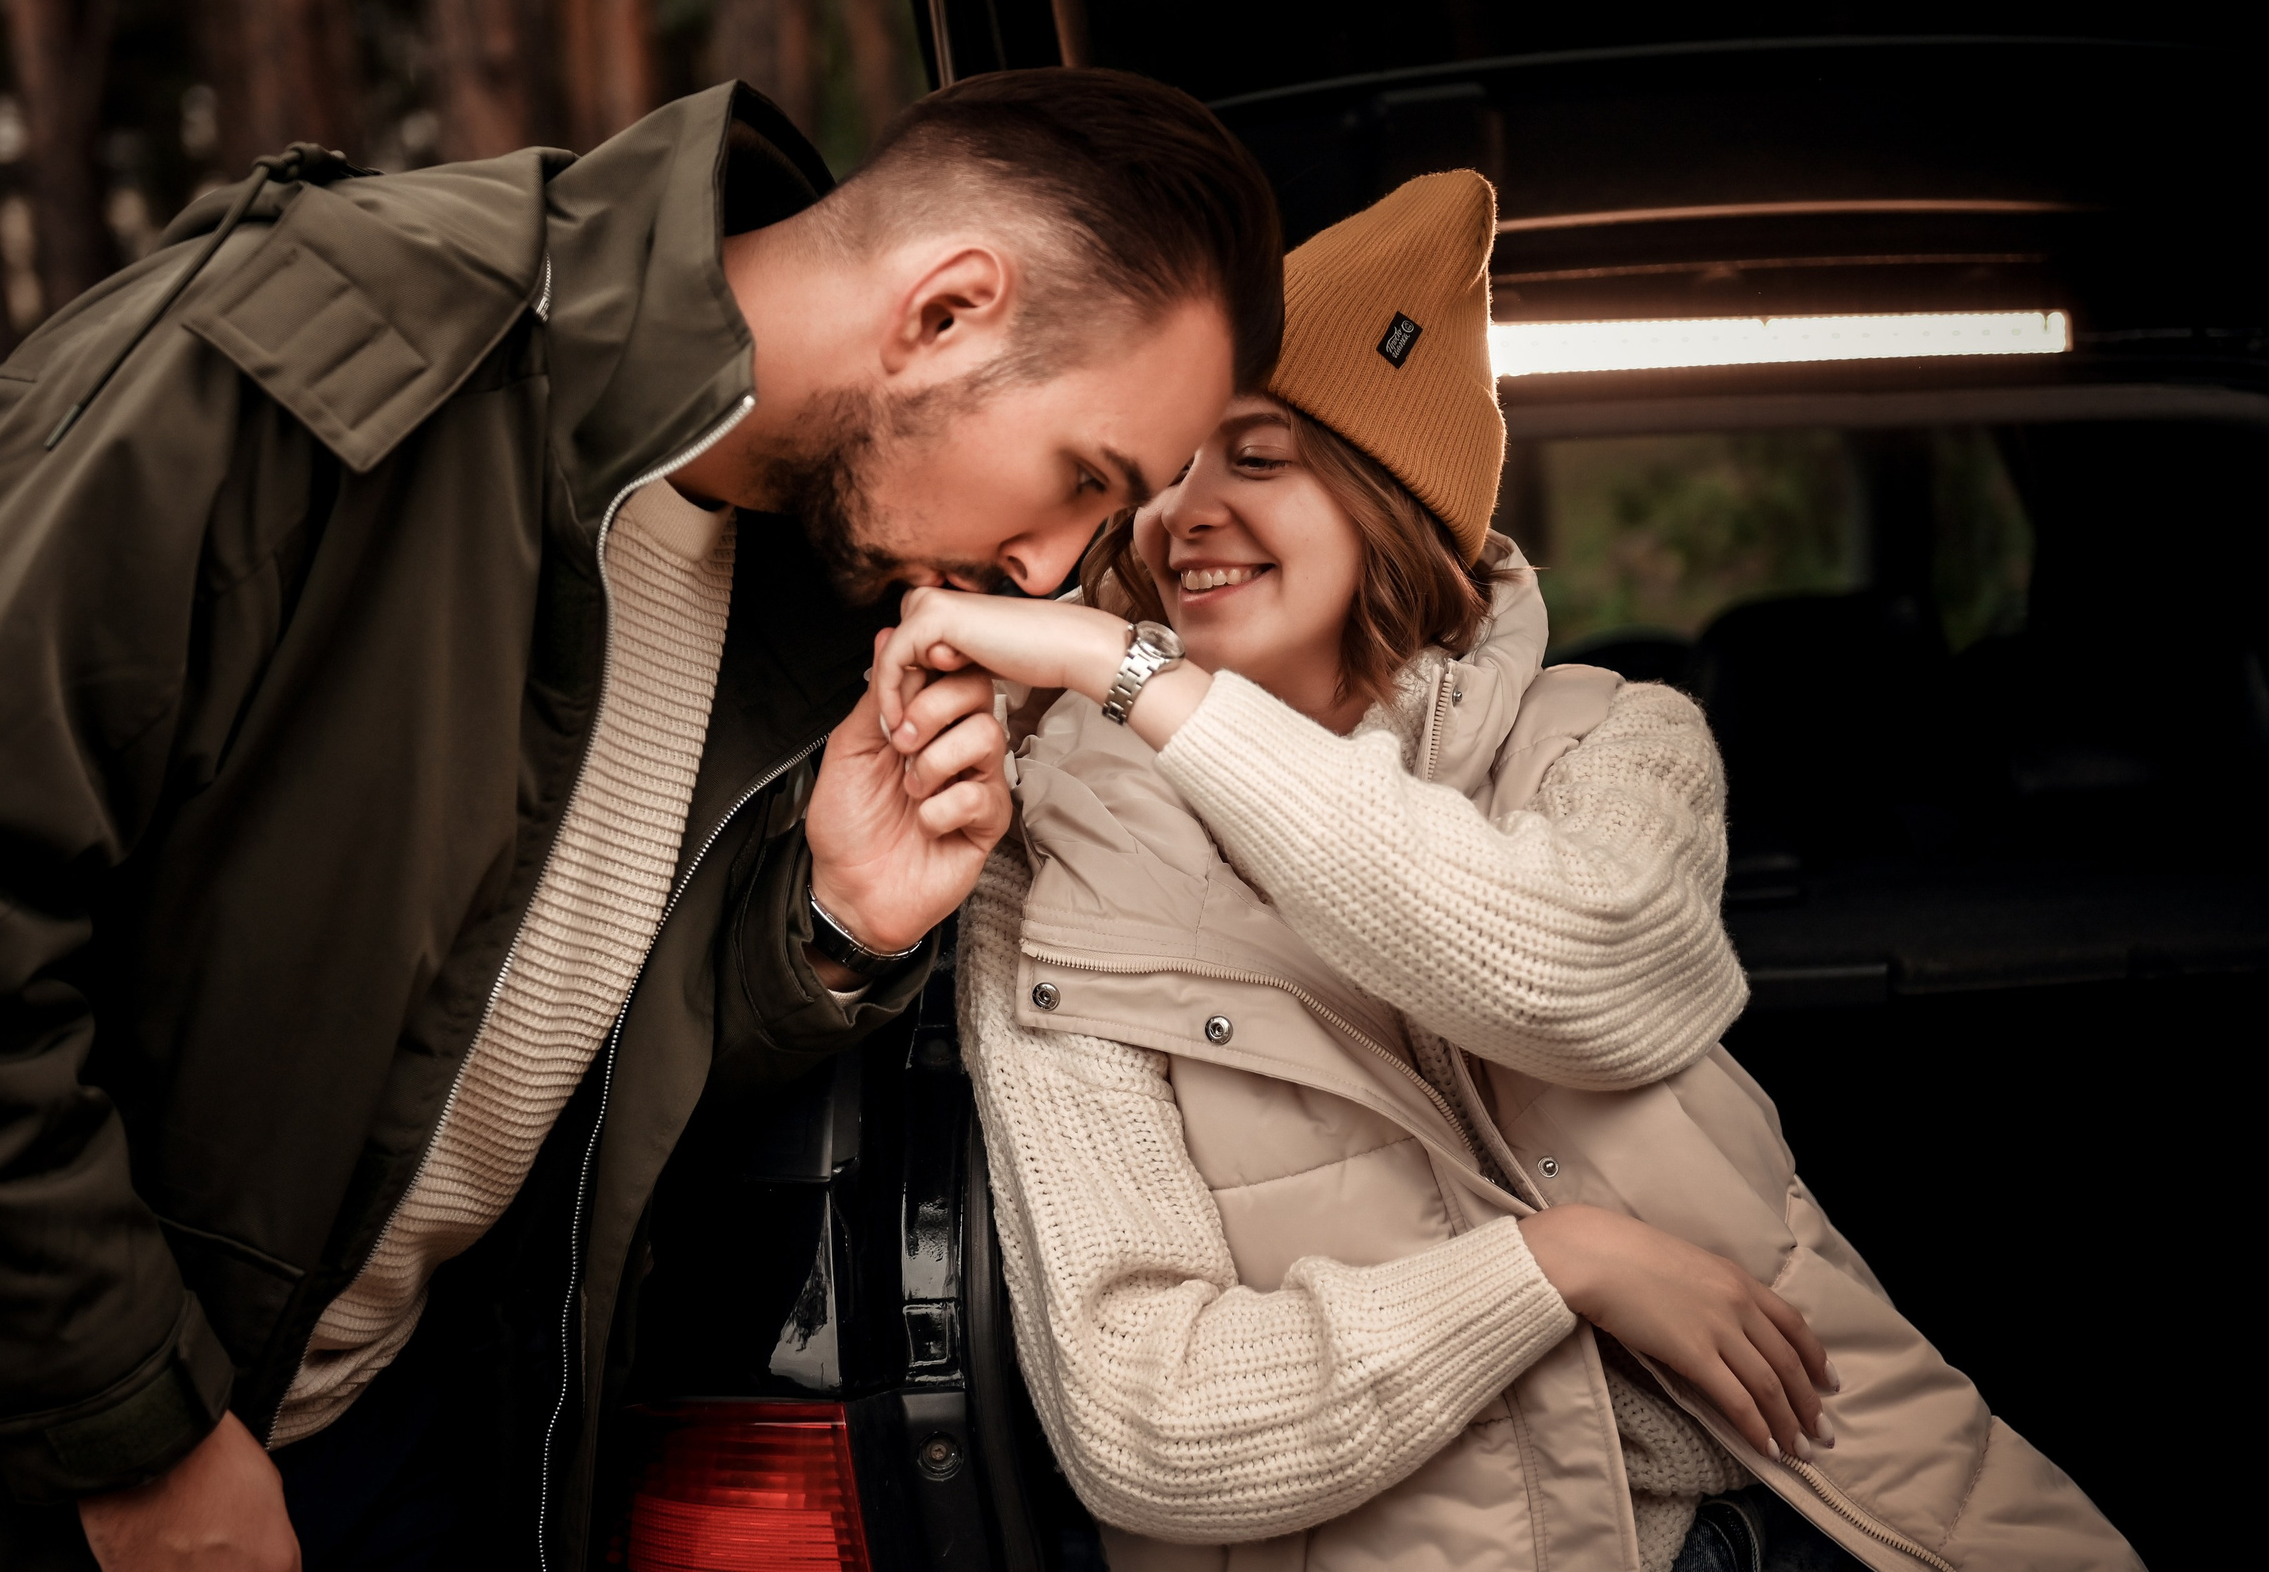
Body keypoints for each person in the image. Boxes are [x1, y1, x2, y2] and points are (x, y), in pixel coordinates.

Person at [0, 72, 1281, 1570]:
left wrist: (821, 928)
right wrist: (141, 1443)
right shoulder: (346, 330)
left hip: (377, 1450)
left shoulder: (808, 593)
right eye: (1085, 477)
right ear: (947, 309)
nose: (1055, 571)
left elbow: (515, 1057)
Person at [871, 174, 2137, 1571]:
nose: (1184, 514)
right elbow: (1147, 1421)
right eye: (1165, 464)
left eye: (1260, 456)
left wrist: (1145, 682)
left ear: (1391, 498)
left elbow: (1571, 973)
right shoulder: (1045, 874)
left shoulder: (1616, 739)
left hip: (1837, 1524)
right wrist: (1554, 1265)